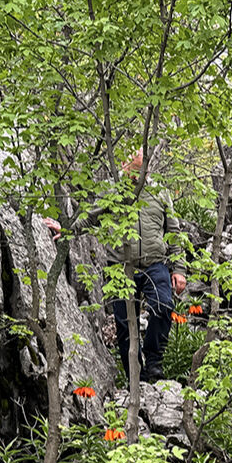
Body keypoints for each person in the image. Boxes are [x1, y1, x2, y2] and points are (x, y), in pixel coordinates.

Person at [44, 148, 186, 383]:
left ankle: (154, 363)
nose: (139, 174)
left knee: (163, 305)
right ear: (123, 165)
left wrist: (179, 269)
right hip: (120, 266)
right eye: (135, 169)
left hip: (154, 263)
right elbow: (91, 218)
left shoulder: (160, 192)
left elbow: (174, 232)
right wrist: (67, 229)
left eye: (143, 169)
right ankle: (135, 376)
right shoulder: (111, 189)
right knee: (124, 323)